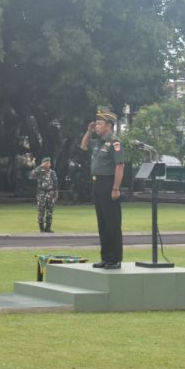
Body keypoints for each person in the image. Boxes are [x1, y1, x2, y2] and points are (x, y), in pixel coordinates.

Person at [80, 108, 125, 269]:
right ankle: (106, 257)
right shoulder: (98, 142)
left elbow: (119, 166)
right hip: (97, 184)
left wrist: (116, 188)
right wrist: (89, 131)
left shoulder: (115, 142)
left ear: (109, 125)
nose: (97, 125)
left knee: (112, 222)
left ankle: (115, 259)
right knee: (102, 223)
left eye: (99, 123)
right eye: (97, 123)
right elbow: (84, 146)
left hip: (108, 184)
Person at [30, 157, 58, 233]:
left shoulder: (52, 172)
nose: (48, 164)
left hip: (50, 193)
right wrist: (40, 166)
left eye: (49, 163)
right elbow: (31, 175)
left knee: (50, 211)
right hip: (41, 193)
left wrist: (56, 194)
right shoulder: (39, 172)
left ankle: (48, 228)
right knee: (41, 212)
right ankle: (41, 229)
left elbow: (55, 184)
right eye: (47, 163)